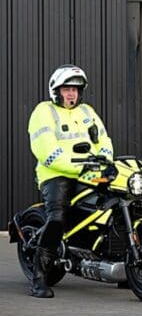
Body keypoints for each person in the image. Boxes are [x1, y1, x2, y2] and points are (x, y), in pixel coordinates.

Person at [27, 64, 114, 297]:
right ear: (55, 90)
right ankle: (40, 278)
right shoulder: (43, 111)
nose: (72, 94)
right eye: (66, 89)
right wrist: (76, 165)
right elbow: (46, 150)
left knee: (109, 205)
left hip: (88, 171)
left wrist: (104, 158)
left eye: (75, 89)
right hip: (56, 174)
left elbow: (103, 139)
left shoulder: (87, 111)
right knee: (58, 217)